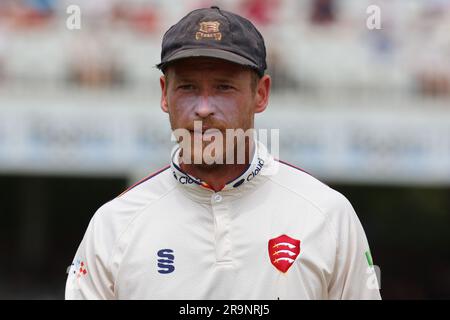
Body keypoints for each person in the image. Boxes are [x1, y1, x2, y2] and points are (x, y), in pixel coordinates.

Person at [65, 6, 381, 300]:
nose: (203, 108)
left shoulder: (327, 214)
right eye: (187, 87)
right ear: (164, 95)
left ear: (261, 94)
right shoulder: (114, 224)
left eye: (224, 88)